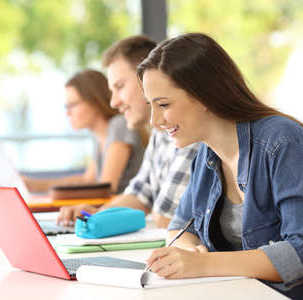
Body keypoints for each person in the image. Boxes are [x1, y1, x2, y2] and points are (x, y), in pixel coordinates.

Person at [138, 33, 303, 299]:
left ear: (205, 95)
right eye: (150, 106)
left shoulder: (281, 140)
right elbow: (179, 226)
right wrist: (188, 252)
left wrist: (203, 264)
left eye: (163, 104)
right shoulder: (205, 155)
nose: (154, 120)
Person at [57, 36, 199, 227]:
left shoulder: (190, 132)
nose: (113, 102)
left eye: (120, 86)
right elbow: (139, 195)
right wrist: (96, 216)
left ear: (147, 77)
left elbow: (167, 218)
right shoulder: (160, 134)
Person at [24, 69, 144, 194]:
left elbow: (105, 188)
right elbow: (87, 180)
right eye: (66, 106)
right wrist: (33, 185)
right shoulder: (98, 136)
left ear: (95, 101)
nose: (68, 113)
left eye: (73, 105)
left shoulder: (119, 125)